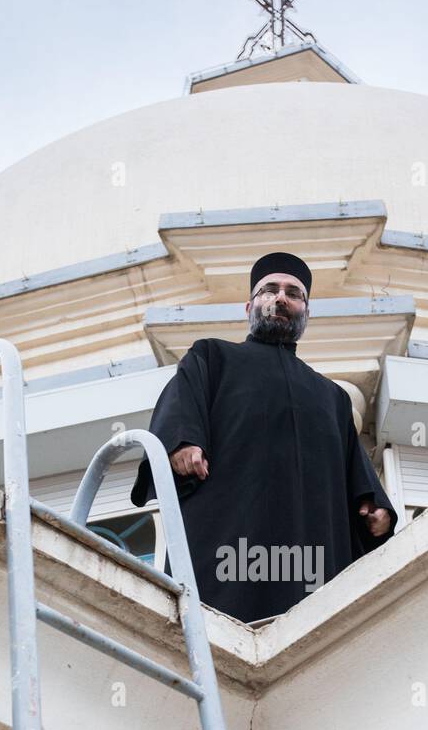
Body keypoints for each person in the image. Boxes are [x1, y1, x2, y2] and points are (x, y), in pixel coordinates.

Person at [130, 250, 398, 624]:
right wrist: (181, 444)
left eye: (294, 293)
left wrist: (375, 509)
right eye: (269, 290)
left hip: (310, 556)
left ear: (306, 311)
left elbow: (356, 473)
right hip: (229, 548)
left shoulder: (332, 397)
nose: (281, 298)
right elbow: (180, 410)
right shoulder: (212, 358)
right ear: (249, 306)